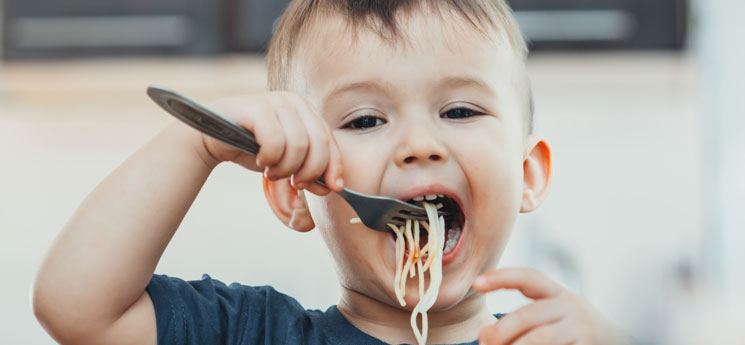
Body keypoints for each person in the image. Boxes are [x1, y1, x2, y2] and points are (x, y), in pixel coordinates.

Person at [32, 0, 635, 344]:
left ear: (527, 173)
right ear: (296, 193)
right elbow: (77, 308)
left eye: (459, 110)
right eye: (367, 120)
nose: (419, 145)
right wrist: (197, 143)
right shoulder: (256, 334)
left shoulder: (552, 341)